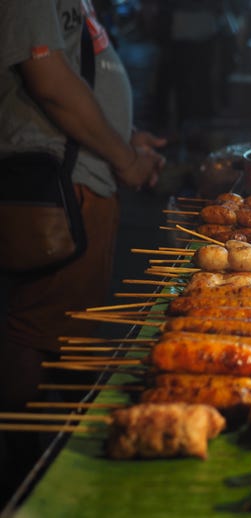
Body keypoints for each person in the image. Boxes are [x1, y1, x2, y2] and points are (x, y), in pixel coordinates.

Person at [0, 0, 166, 504]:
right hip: (56, 188)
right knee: (33, 334)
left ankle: (56, 467)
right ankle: (22, 482)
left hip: (84, 180)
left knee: (67, 337)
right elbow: (47, 77)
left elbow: (79, 73)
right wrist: (123, 158)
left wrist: (123, 138)